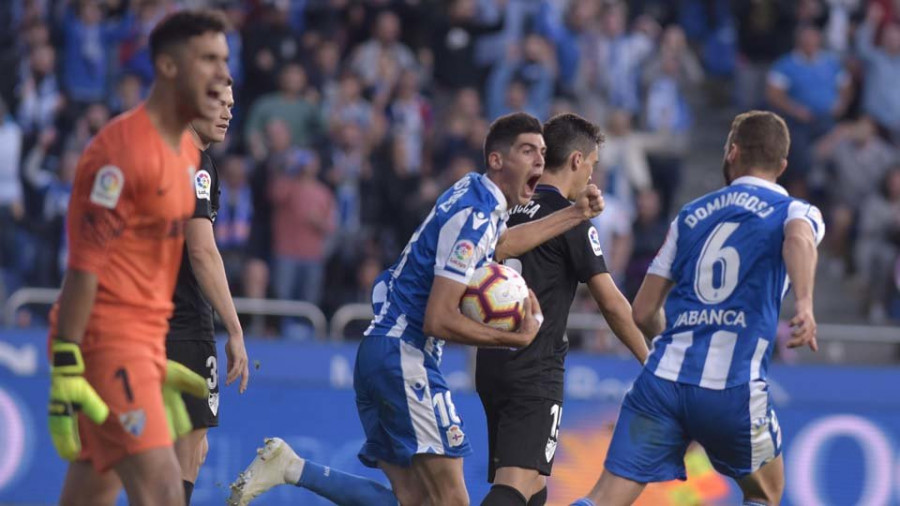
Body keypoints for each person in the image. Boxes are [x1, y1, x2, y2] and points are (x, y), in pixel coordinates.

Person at [228, 112, 605, 506]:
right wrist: (514, 337)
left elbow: (504, 244)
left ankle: (291, 467)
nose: (540, 162)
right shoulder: (475, 217)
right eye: (528, 151)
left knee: (413, 501)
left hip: (379, 351)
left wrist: (575, 213)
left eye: (543, 152)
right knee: (452, 502)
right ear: (496, 160)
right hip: (405, 358)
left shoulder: (473, 193)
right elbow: (438, 319)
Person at [570, 110, 825, 506]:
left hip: (662, 384)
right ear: (783, 164)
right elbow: (799, 240)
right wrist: (805, 304)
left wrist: (671, 353)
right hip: (733, 388)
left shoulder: (690, 215)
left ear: (732, 152)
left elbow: (642, 312)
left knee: (604, 498)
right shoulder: (794, 211)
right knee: (766, 492)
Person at [46, 10, 231, 506]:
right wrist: (68, 361)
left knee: (92, 491)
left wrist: (153, 351)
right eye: (207, 61)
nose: (221, 77)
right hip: (108, 343)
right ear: (170, 68)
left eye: (224, 61)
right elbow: (85, 267)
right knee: (165, 491)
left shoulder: (184, 157)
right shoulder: (121, 151)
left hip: (145, 345)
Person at [475, 113, 650, 506]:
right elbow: (611, 302)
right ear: (576, 160)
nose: (592, 176)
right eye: (592, 165)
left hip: (491, 361)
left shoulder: (510, 210)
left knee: (534, 487)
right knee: (514, 488)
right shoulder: (571, 219)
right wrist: (650, 360)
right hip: (535, 367)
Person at [166, 82, 250, 504]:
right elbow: (201, 249)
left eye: (232, 106)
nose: (227, 113)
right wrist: (234, 329)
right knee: (188, 449)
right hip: (182, 325)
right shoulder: (195, 163)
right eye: (218, 103)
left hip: (139, 320)